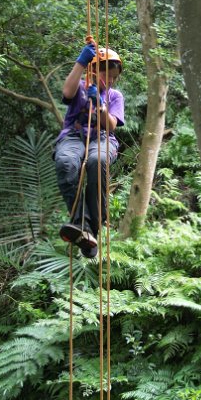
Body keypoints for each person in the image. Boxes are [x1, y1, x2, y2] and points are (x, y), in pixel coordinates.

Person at [55, 37, 125, 258]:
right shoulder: (80, 87)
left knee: (98, 160)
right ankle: (83, 227)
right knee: (66, 162)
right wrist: (81, 62)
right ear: (94, 71)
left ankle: (91, 229)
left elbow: (111, 125)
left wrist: (101, 106)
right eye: (107, 75)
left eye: (114, 77)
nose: (111, 81)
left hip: (103, 138)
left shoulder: (114, 96)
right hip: (73, 136)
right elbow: (67, 93)